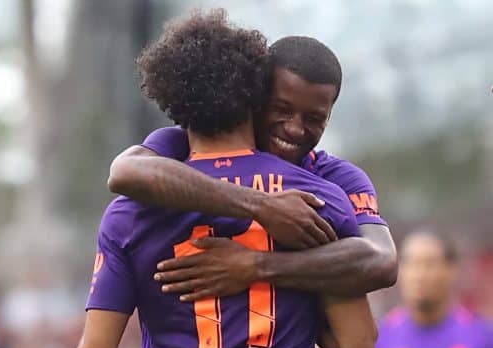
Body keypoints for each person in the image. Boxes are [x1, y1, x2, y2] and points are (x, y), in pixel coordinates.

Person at [72, 9, 376, 348]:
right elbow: (359, 347)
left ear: (175, 105)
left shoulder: (128, 215)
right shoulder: (316, 199)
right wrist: (291, 299)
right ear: (255, 95)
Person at [108, 36, 397, 303]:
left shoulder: (338, 178)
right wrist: (262, 206)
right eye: (281, 109)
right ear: (255, 98)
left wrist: (257, 266)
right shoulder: (188, 142)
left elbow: (382, 261)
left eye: (314, 118)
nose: (295, 128)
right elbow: (125, 172)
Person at [358, 230, 493, 348]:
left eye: (429, 264)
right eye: (411, 264)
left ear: (452, 271)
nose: (419, 275)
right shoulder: (378, 338)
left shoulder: (481, 338)